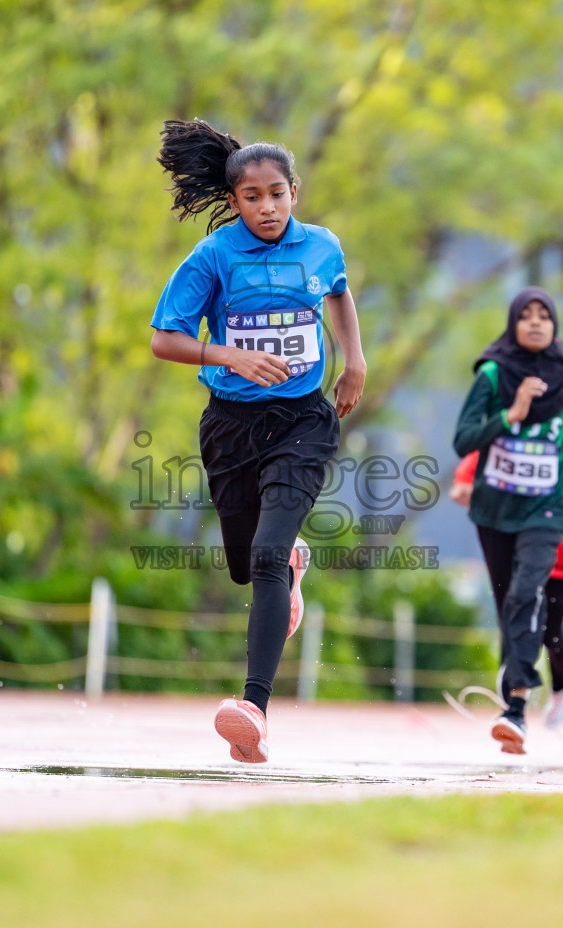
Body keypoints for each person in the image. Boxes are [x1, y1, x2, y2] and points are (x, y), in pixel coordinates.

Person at [149, 118, 366, 763]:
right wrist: (229, 356)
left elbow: (340, 297)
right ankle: (289, 568)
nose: (266, 207)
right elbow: (165, 338)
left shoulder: (322, 246)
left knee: (267, 554)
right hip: (231, 424)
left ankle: (253, 710)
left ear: (295, 192)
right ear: (235, 199)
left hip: (302, 421)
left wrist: (354, 361)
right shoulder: (212, 257)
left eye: (276, 193)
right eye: (251, 197)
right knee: (248, 563)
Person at [452, 287, 563, 755]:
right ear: (512, 324)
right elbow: (463, 438)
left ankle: (515, 710)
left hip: (549, 507)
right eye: (525, 315)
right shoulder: (491, 374)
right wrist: (512, 414)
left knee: (528, 595)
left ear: (555, 325)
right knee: (511, 607)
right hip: (496, 509)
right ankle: (519, 693)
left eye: (544, 315)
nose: (535, 322)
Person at [451, 418, 563, 730]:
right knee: (515, 612)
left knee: (551, 631)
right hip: (518, 543)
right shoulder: (509, 426)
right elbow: (464, 484)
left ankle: (562, 685)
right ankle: (514, 706)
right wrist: (479, 496)